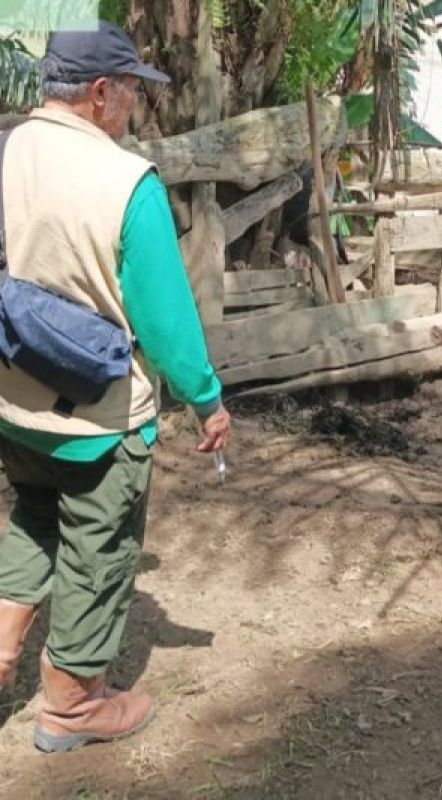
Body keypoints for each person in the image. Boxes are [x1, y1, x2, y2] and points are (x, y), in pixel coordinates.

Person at [0, 22, 231, 752]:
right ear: (100, 93)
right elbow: (164, 318)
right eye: (130, 88)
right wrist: (207, 400)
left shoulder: (9, 146)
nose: (135, 103)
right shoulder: (126, 181)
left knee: (35, 515)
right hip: (98, 412)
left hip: (15, 394)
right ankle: (72, 708)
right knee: (100, 546)